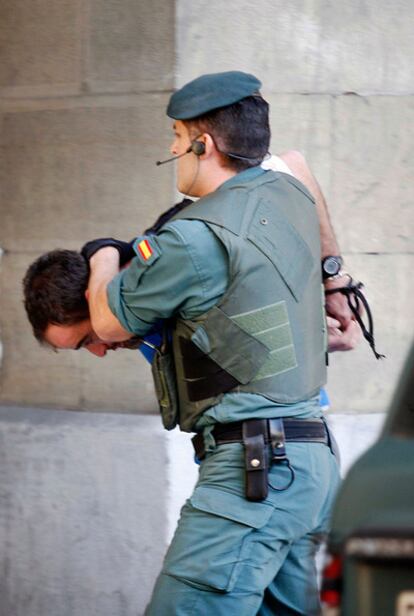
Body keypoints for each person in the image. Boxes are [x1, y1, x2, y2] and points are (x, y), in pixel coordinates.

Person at [24, 71, 345, 615]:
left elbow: (107, 324)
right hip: (307, 463)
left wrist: (105, 251)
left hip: (257, 472)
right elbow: (296, 164)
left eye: (176, 137)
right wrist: (336, 279)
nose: (172, 150)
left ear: (204, 143)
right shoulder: (281, 195)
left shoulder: (194, 238)